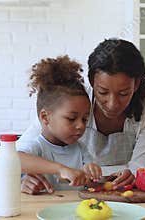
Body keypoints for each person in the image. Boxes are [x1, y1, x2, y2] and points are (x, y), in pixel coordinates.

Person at [17, 39, 145, 192]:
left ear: (136, 85)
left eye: (123, 93)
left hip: (118, 192)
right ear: (91, 82)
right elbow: (15, 156)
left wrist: (131, 174)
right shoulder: (76, 99)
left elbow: (139, 166)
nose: (112, 104)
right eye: (102, 92)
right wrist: (25, 178)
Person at [19, 55, 102, 194]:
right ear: (45, 117)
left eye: (85, 119)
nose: (81, 126)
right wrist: (61, 169)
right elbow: (15, 160)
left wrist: (92, 174)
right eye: (71, 118)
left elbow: (89, 182)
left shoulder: (82, 149)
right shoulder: (37, 148)